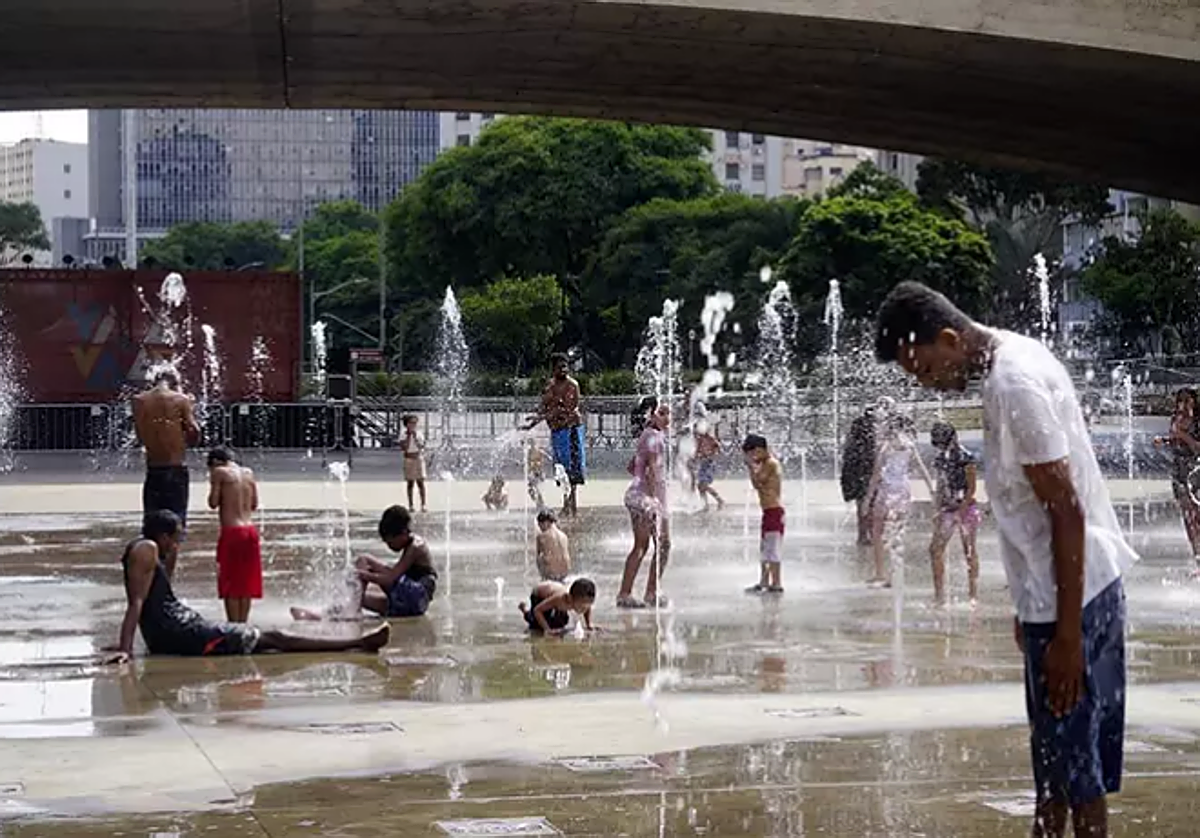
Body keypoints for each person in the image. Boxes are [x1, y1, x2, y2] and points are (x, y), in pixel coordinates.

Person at [875, 280, 1136, 838]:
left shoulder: (1014, 382)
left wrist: (1066, 636)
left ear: (949, 339)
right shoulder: (1010, 358)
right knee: (1055, 775)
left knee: (1076, 777)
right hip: (1066, 595)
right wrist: (1030, 605)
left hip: (1077, 602)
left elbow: (1066, 510)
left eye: (924, 370)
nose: (929, 386)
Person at [105, 510, 389, 659]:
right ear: (162, 535)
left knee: (265, 637)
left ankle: (354, 643)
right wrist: (125, 649)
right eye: (177, 538)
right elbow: (136, 602)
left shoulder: (142, 548)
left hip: (180, 629)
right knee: (273, 638)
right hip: (181, 633)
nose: (178, 544)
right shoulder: (147, 550)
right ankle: (357, 643)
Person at [294, 505, 438, 620]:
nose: (389, 546)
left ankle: (352, 612)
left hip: (416, 596)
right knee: (357, 595)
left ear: (403, 533)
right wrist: (360, 579)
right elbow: (393, 578)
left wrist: (363, 575)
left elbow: (390, 579)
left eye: (390, 541)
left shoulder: (415, 546)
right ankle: (325, 615)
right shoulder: (410, 544)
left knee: (364, 560)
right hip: (411, 604)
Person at [133, 367, 201, 553]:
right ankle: (169, 565)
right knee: (176, 524)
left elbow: (139, 436)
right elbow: (194, 431)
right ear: (174, 382)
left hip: (153, 467)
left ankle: (152, 561)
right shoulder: (181, 400)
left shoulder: (139, 401)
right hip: (176, 467)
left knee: (152, 522)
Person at [864, 413, 935, 587]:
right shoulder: (909, 445)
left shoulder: (885, 446)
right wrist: (931, 488)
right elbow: (921, 467)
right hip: (903, 490)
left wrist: (867, 499)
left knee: (877, 531)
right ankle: (894, 573)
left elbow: (875, 475)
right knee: (897, 533)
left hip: (887, 490)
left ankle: (880, 573)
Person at [617, 403, 671, 608]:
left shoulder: (647, 435)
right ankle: (646, 592)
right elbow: (653, 475)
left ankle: (630, 593)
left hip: (636, 496)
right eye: (662, 413)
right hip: (646, 500)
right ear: (650, 414)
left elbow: (632, 466)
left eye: (669, 413)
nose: (667, 418)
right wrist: (659, 505)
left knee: (645, 546)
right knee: (663, 545)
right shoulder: (655, 439)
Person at [524, 353, 586, 517]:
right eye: (560, 367)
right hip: (558, 431)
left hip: (571, 430)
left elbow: (566, 409)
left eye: (566, 366)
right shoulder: (550, 386)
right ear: (553, 369)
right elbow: (544, 407)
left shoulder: (573, 385)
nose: (563, 369)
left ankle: (571, 505)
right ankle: (567, 504)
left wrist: (541, 417)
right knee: (561, 468)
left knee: (573, 468)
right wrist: (531, 424)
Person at [207, 447, 262, 623]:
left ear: (215, 462)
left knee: (230, 581)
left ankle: (232, 626)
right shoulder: (248, 473)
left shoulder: (219, 472)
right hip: (250, 531)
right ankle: (243, 624)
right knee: (246, 582)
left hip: (232, 532)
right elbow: (254, 504)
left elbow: (213, 503)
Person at [929, 421, 981, 604]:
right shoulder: (940, 458)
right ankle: (939, 596)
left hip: (966, 509)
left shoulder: (967, 457)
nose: (940, 447)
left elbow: (971, 488)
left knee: (969, 550)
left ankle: (973, 595)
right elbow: (941, 486)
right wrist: (936, 509)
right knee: (935, 549)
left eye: (942, 442)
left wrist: (961, 511)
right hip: (947, 510)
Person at [1153, 388, 1200, 565]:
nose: (1184, 404)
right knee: (1188, 517)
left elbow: (1197, 447)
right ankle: (1197, 559)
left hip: (1196, 471)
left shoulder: (1197, 422)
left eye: (1188, 401)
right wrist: (1164, 440)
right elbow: (1176, 441)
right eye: (1181, 401)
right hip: (1179, 471)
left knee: (1198, 516)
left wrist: (1183, 435)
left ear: (1195, 402)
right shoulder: (1176, 419)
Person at [743, 434, 785, 594]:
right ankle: (764, 582)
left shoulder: (771, 464)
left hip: (774, 512)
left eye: (752, 453)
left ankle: (776, 583)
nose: (751, 457)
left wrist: (750, 466)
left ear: (760, 450)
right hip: (769, 512)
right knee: (765, 548)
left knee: (772, 549)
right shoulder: (766, 463)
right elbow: (757, 484)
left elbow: (758, 481)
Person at [841, 405, 880, 546]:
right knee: (871, 506)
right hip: (866, 475)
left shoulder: (852, 442)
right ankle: (868, 534)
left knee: (862, 506)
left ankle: (862, 535)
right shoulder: (870, 442)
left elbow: (846, 463)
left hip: (856, 476)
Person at [518, 578, 597, 634]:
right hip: (539, 595)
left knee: (561, 622)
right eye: (582, 607)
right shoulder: (560, 599)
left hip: (553, 593)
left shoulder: (580, 601)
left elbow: (588, 608)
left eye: (586, 606)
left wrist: (589, 624)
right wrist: (547, 630)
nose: (583, 610)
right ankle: (524, 610)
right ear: (570, 598)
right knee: (537, 624)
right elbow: (537, 610)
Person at [693, 417, 725, 512]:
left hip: (709, 463)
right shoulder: (700, 439)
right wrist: (696, 458)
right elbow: (697, 452)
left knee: (703, 485)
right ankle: (705, 505)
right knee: (700, 486)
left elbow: (718, 448)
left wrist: (711, 455)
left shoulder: (710, 438)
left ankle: (719, 500)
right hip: (704, 463)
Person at [401, 414, 428, 513]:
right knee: (410, 483)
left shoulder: (419, 433)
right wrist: (409, 437)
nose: (413, 425)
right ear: (407, 424)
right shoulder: (403, 434)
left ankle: (423, 504)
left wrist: (415, 437)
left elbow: (421, 446)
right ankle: (411, 504)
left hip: (418, 458)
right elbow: (404, 448)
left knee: (420, 482)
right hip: (408, 459)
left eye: (415, 423)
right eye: (411, 423)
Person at [536, 509, 571, 581]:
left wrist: (542, 577)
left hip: (551, 574)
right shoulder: (564, 536)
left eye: (540, 525)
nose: (539, 528)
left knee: (541, 558)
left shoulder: (542, 537)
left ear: (546, 522)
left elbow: (538, 558)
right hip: (565, 573)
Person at [526, 439, 547, 510]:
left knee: (537, 489)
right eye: (531, 444)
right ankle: (538, 502)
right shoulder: (529, 452)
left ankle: (541, 503)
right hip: (532, 472)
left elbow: (545, 459)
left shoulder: (539, 451)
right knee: (531, 490)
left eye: (533, 444)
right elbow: (528, 463)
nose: (532, 445)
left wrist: (539, 465)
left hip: (538, 472)